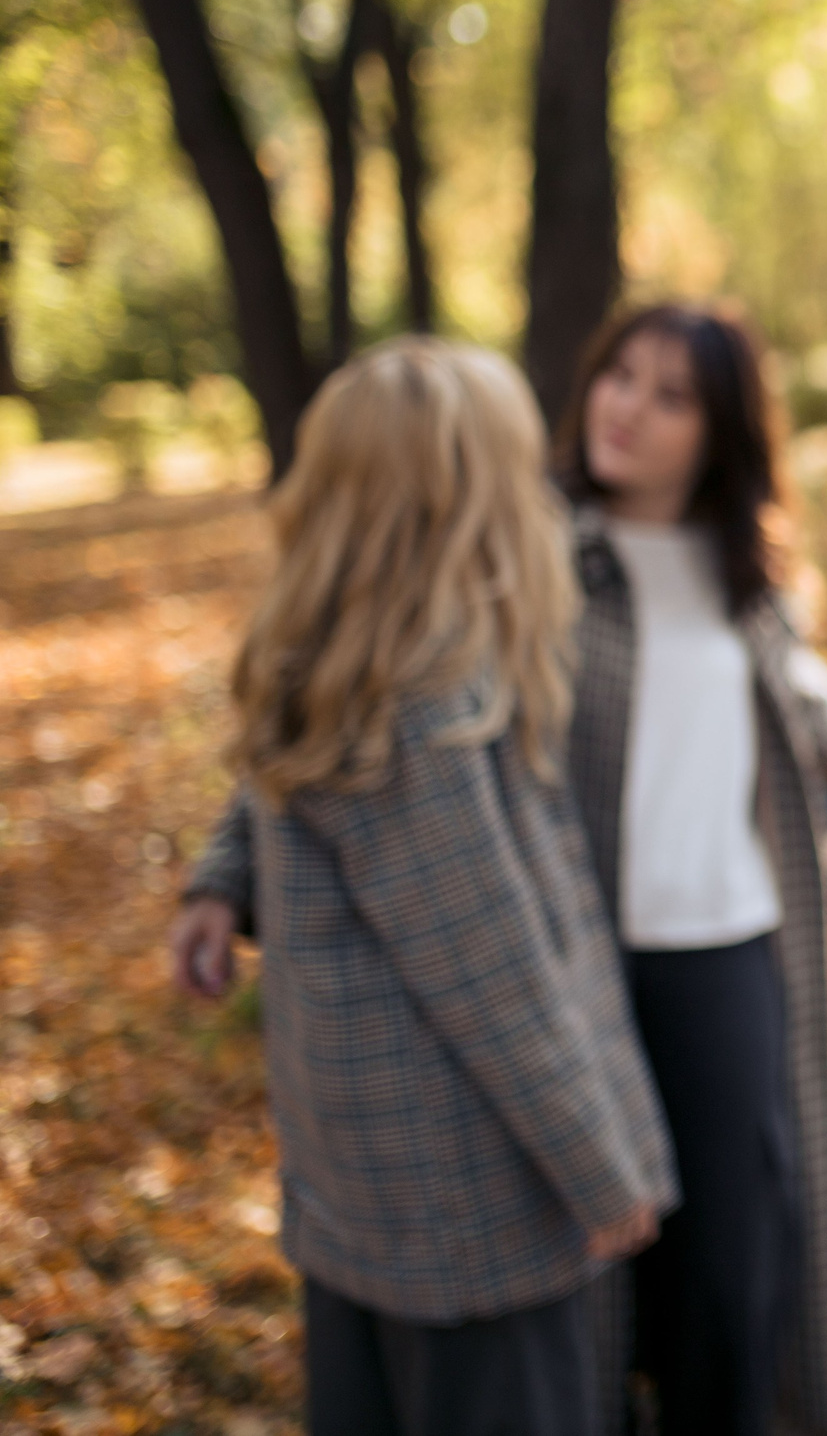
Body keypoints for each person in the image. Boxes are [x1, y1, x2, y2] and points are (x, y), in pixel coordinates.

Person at [170, 338, 675, 1436]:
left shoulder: (331, 649)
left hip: (359, 1183)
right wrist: (603, 1169)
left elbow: (272, 787)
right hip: (472, 1206)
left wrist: (217, 883)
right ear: (467, 499)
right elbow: (490, 973)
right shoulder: (424, 700)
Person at [553, 302, 827, 1436]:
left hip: (732, 970)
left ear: (718, 433)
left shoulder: (747, 592)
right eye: (621, 376)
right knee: (604, 1282)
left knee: (734, 1280)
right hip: (583, 973)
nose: (630, 408)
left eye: (671, 395)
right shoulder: (538, 559)